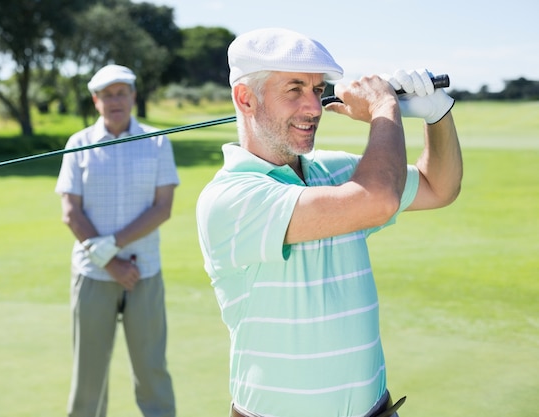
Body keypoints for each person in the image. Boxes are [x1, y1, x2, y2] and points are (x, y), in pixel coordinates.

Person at [195, 28, 462, 417]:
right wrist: (383, 108)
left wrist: (437, 115)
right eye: (295, 89)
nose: (315, 107)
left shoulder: (336, 170)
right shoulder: (229, 198)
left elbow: (439, 186)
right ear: (245, 98)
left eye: (318, 90)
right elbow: (377, 199)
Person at [55, 64, 178, 417]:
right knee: (88, 376)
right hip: (93, 275)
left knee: (152, 371)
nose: (115, 101)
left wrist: (115, 246)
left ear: (133, 96)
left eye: (121, 92)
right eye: (107, 95)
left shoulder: (156, 141)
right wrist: (110, 261)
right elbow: (71, 212)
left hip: (144, 273)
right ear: (96, 101)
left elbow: (163, 207)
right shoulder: (78, 144)